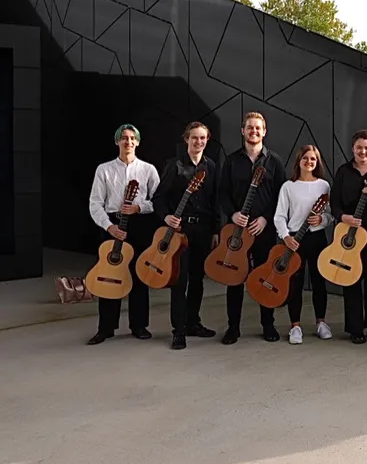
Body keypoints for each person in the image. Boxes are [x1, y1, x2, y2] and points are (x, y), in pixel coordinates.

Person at [86, 124, 161, 345]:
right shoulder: (104, 169)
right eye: (124, 138)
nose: (128, 142)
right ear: (117, 141)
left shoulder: (148, 170)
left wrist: (139, 208)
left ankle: (139, 325)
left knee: (139, 275)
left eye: (132, 138)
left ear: (137, 142)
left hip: (139, 224)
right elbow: (95, 204)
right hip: (112, 224)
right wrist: (109, 227)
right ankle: (105, 328)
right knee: (109, 273)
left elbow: (159, 202)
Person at [219, 112, 287, 345]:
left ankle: (268, 325)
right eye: (249, 128)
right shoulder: (231, 160)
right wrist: (233, 214)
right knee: (234, 277)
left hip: (263, 230)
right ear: (242, 131)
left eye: (258, 128)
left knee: (266, 277)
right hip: (237, 230)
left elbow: (281, 196)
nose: (254, 132)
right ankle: (233, 327)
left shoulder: (274, 162)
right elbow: (223, 193)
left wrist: (266, 219)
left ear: (264, 131)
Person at [152, 121, 220, 350]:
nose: (199, 142)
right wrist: (166, 217)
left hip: (202, 230)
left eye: (203, 138)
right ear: (186, 140)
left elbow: (215, 201)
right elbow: (159, 198)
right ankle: (178, 330)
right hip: (180, 232)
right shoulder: (175, 166)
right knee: (179, 281)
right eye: (195, 138)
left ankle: (193, 323)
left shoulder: (211, 166)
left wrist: (216, 231)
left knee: (198, 279)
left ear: (207, 140)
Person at [332, 130, 367, 344]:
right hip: (349, 234)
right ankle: (355, 328)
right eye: (359, 148)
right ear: (352, 149)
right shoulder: (343, 171)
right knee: (351, 279)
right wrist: (343, 217)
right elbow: (334, 202)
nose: (363, 151)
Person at [275, 145, 333, 345]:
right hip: (294, 240)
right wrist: (285, 237)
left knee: (319, 282)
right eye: (306, 158)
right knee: (295, 283)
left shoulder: (324, 186)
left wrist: (323, 221)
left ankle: (321, 323)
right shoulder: (288, 186)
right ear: (298, 160)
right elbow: (279, 216)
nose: (309, 162)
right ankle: (295, 326)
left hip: (317, 238)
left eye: (313, 159)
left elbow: (329, 215)